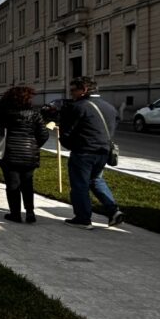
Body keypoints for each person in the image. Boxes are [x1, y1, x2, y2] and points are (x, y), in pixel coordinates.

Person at [59, 76, 124, 229]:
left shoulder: (79, 107)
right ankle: (113, 211)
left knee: (80, 185)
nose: (71, 93)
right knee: (96, 180)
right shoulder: (109, 107)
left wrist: (67, 143)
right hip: (103, 151)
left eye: (74, 90)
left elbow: (67, 132)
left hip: (83, 152)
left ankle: (83, 218)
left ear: (84, 90)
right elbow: (114, 126)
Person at [0, 85, 50, 223]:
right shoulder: (35, 114)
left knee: (12, 185)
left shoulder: (3, 113)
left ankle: (15, 213)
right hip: (29, 154)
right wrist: (34, 145)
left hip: (9, 154)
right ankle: (30, 212)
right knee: (27, 183)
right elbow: (44, 135)